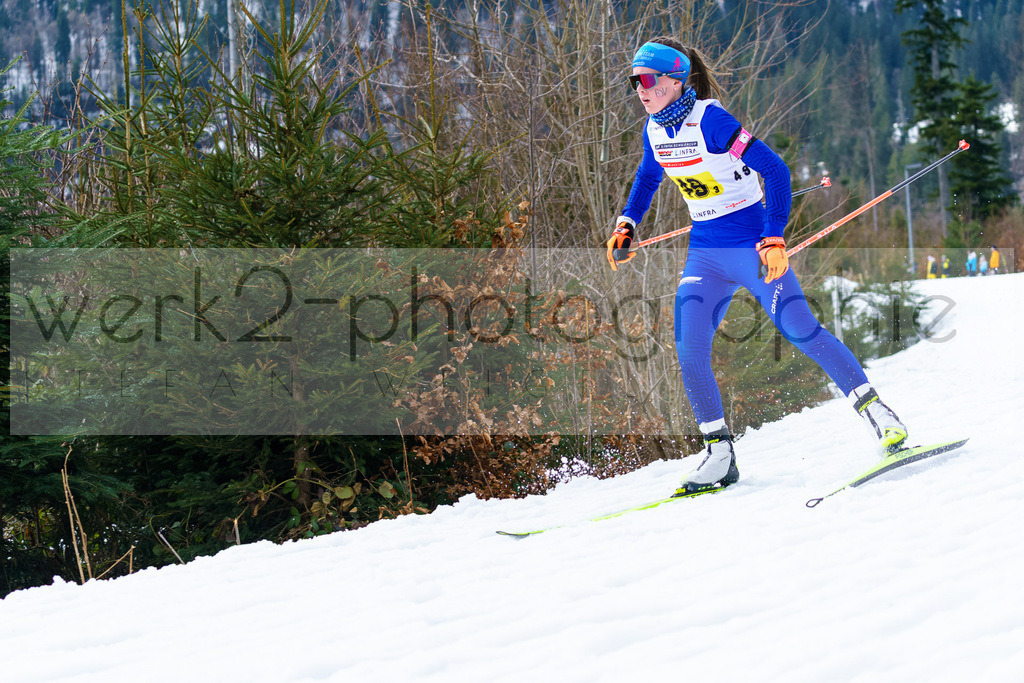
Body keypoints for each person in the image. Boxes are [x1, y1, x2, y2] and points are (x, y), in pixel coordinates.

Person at [606, 38, 909, 494]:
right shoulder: (653, 130)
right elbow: (649, 175)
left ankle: (880, 416)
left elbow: (777, 171)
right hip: (705, 250)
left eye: (647, 80)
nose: (640, 90)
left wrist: (773, 237)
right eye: (634, 82)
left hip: (749, 243)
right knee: (689, 346)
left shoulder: (710, 120)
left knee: (800, 329)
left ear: (675, 80)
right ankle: (719, 455)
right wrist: (628, 222)